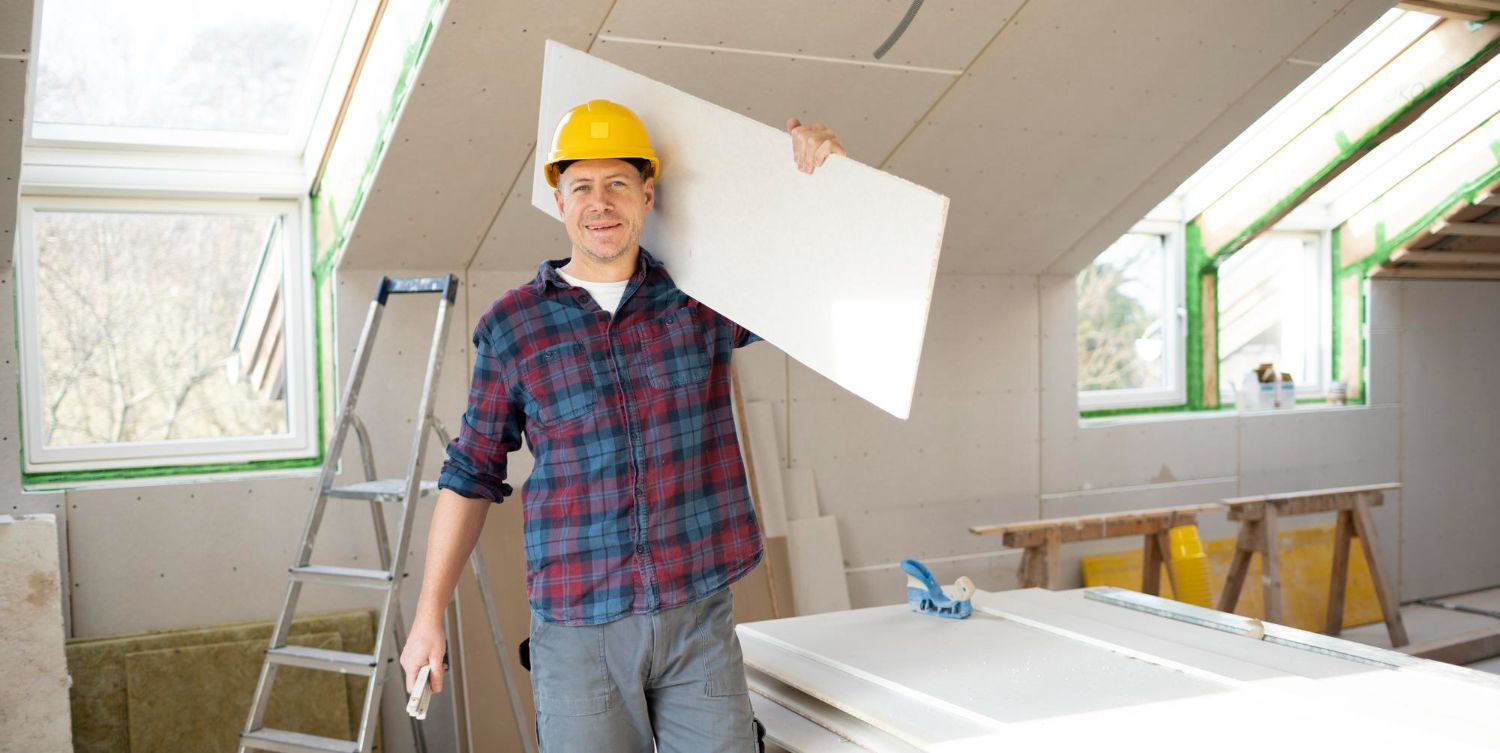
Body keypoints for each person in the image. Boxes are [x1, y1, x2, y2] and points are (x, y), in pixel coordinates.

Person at [399, 99, 846, 752]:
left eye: (617, 184)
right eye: (582, 185)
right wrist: (426, 615)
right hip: (580, 631)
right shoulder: (513, 328)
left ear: (647, 195)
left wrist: (820, 181)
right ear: (559, 200)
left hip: (697, 619)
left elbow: (803, 280)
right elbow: (470, 473)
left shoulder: (701, 302)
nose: (600, 202)